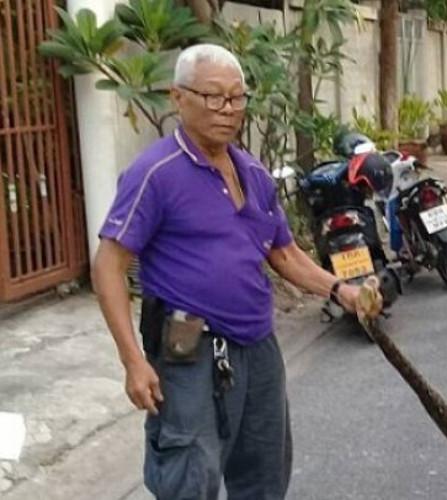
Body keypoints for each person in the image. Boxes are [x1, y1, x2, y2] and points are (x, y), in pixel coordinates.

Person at [91, 44, 382, 499]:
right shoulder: (155, 173)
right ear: (178, 97)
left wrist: (341, 289)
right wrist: (132, 360)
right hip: (187, 347)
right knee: (191, 475)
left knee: (264, 473)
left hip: (258, 345)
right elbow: (108, 266)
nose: (227, 110)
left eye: (237, 98)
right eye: (213, 97)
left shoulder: (254, 173)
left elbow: (283, 255)